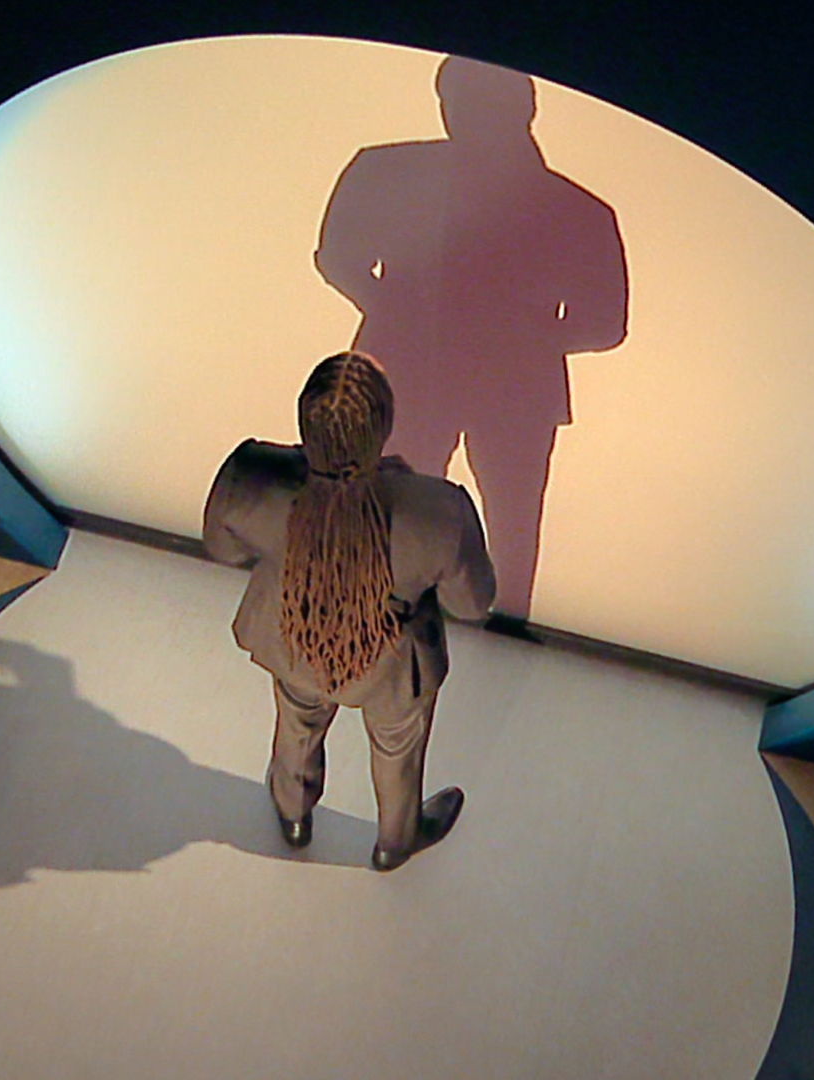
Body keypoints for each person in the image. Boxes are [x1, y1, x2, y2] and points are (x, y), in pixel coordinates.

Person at [315, 55, 628, 619]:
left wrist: (396, 308)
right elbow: (604, 324)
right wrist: (526, 336)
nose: (469, 119)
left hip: (439, 378)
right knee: (480, 529)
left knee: (432, 520)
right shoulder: (577, 210)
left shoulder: (387, 171)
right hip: (460, 383)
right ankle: (432, 626)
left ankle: (390, 622)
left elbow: (338, 257)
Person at [203, 352, 495, 871]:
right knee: (397, 750)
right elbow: (471, 604)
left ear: (303, 420)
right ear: (384, 427)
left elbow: (223, 549)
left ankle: (293, 815)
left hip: (295, 642)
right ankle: (394, 843)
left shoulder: (251, 476)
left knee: (297, 724)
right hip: (389, 669)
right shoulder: (440, 512)